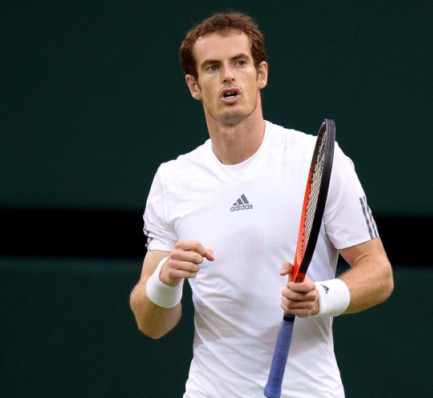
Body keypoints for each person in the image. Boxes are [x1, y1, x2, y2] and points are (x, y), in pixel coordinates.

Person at [129, 11, 393, 397]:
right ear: (194, 85)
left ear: (261, 74)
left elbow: (379, 274)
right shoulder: (172, 180)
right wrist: (166, 279)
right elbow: (151, 323)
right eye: (212, 67)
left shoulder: (316, 159)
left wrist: (321, 296)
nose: (228, 76)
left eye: (239, 62)